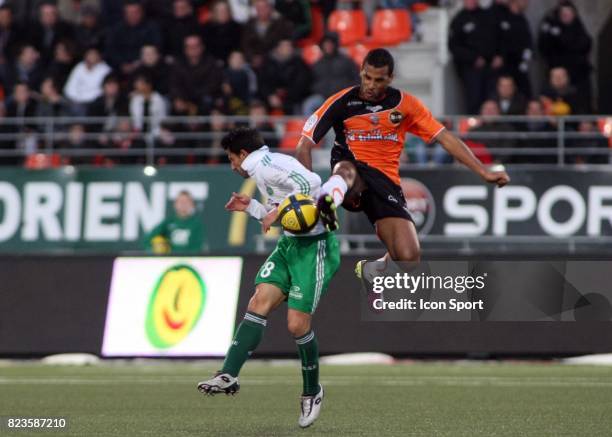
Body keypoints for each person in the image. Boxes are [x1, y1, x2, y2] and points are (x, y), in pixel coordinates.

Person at [296, 48, 509, 270]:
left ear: (390, 78)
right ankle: (325, 198)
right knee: (346, 169)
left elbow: (445, 138)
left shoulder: (406, 105)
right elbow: (304, 146)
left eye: (378, 80)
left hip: (385, 182)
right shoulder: (341, 101)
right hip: (351, 176)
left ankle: (373, 269)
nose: (371, 85)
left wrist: (483, 171)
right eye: (367, 77)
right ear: (361, 72)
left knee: (409, 258)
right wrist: (307, 196)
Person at [197, 127, 340, 429]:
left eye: (231, 159)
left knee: (296, 325)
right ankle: (229, 374)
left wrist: (280, 211)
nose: (232, 166)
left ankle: (312, 391)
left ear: (243, 155)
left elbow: (313, 183)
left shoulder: (265, 165)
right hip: (291, 243)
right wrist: (251, 207)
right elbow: (284, 213)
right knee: (258, 300)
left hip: (316, 247)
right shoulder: (264, 170)